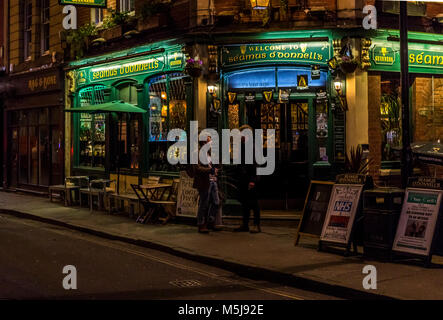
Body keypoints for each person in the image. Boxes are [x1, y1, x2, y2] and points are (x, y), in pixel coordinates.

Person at [234, 125, 261, 233]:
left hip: (250, 179)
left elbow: (255, 165)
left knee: (254, 203)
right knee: (245, 202)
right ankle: (245, 225)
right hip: (244, 179)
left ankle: (256, 225)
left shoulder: (252, 147)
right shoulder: (244, 146)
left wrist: (253, 181)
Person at [192, 137, 221, 233]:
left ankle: (210, 221)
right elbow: (197, 168)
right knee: (204, 203)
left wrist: (216, 168)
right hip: (205, 181)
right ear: (204, 142)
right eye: (209, 141)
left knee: (216, 202)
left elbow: (213, 166)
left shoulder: (209, 153)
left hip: (213, 181)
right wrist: (210, 170)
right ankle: (201, 224)